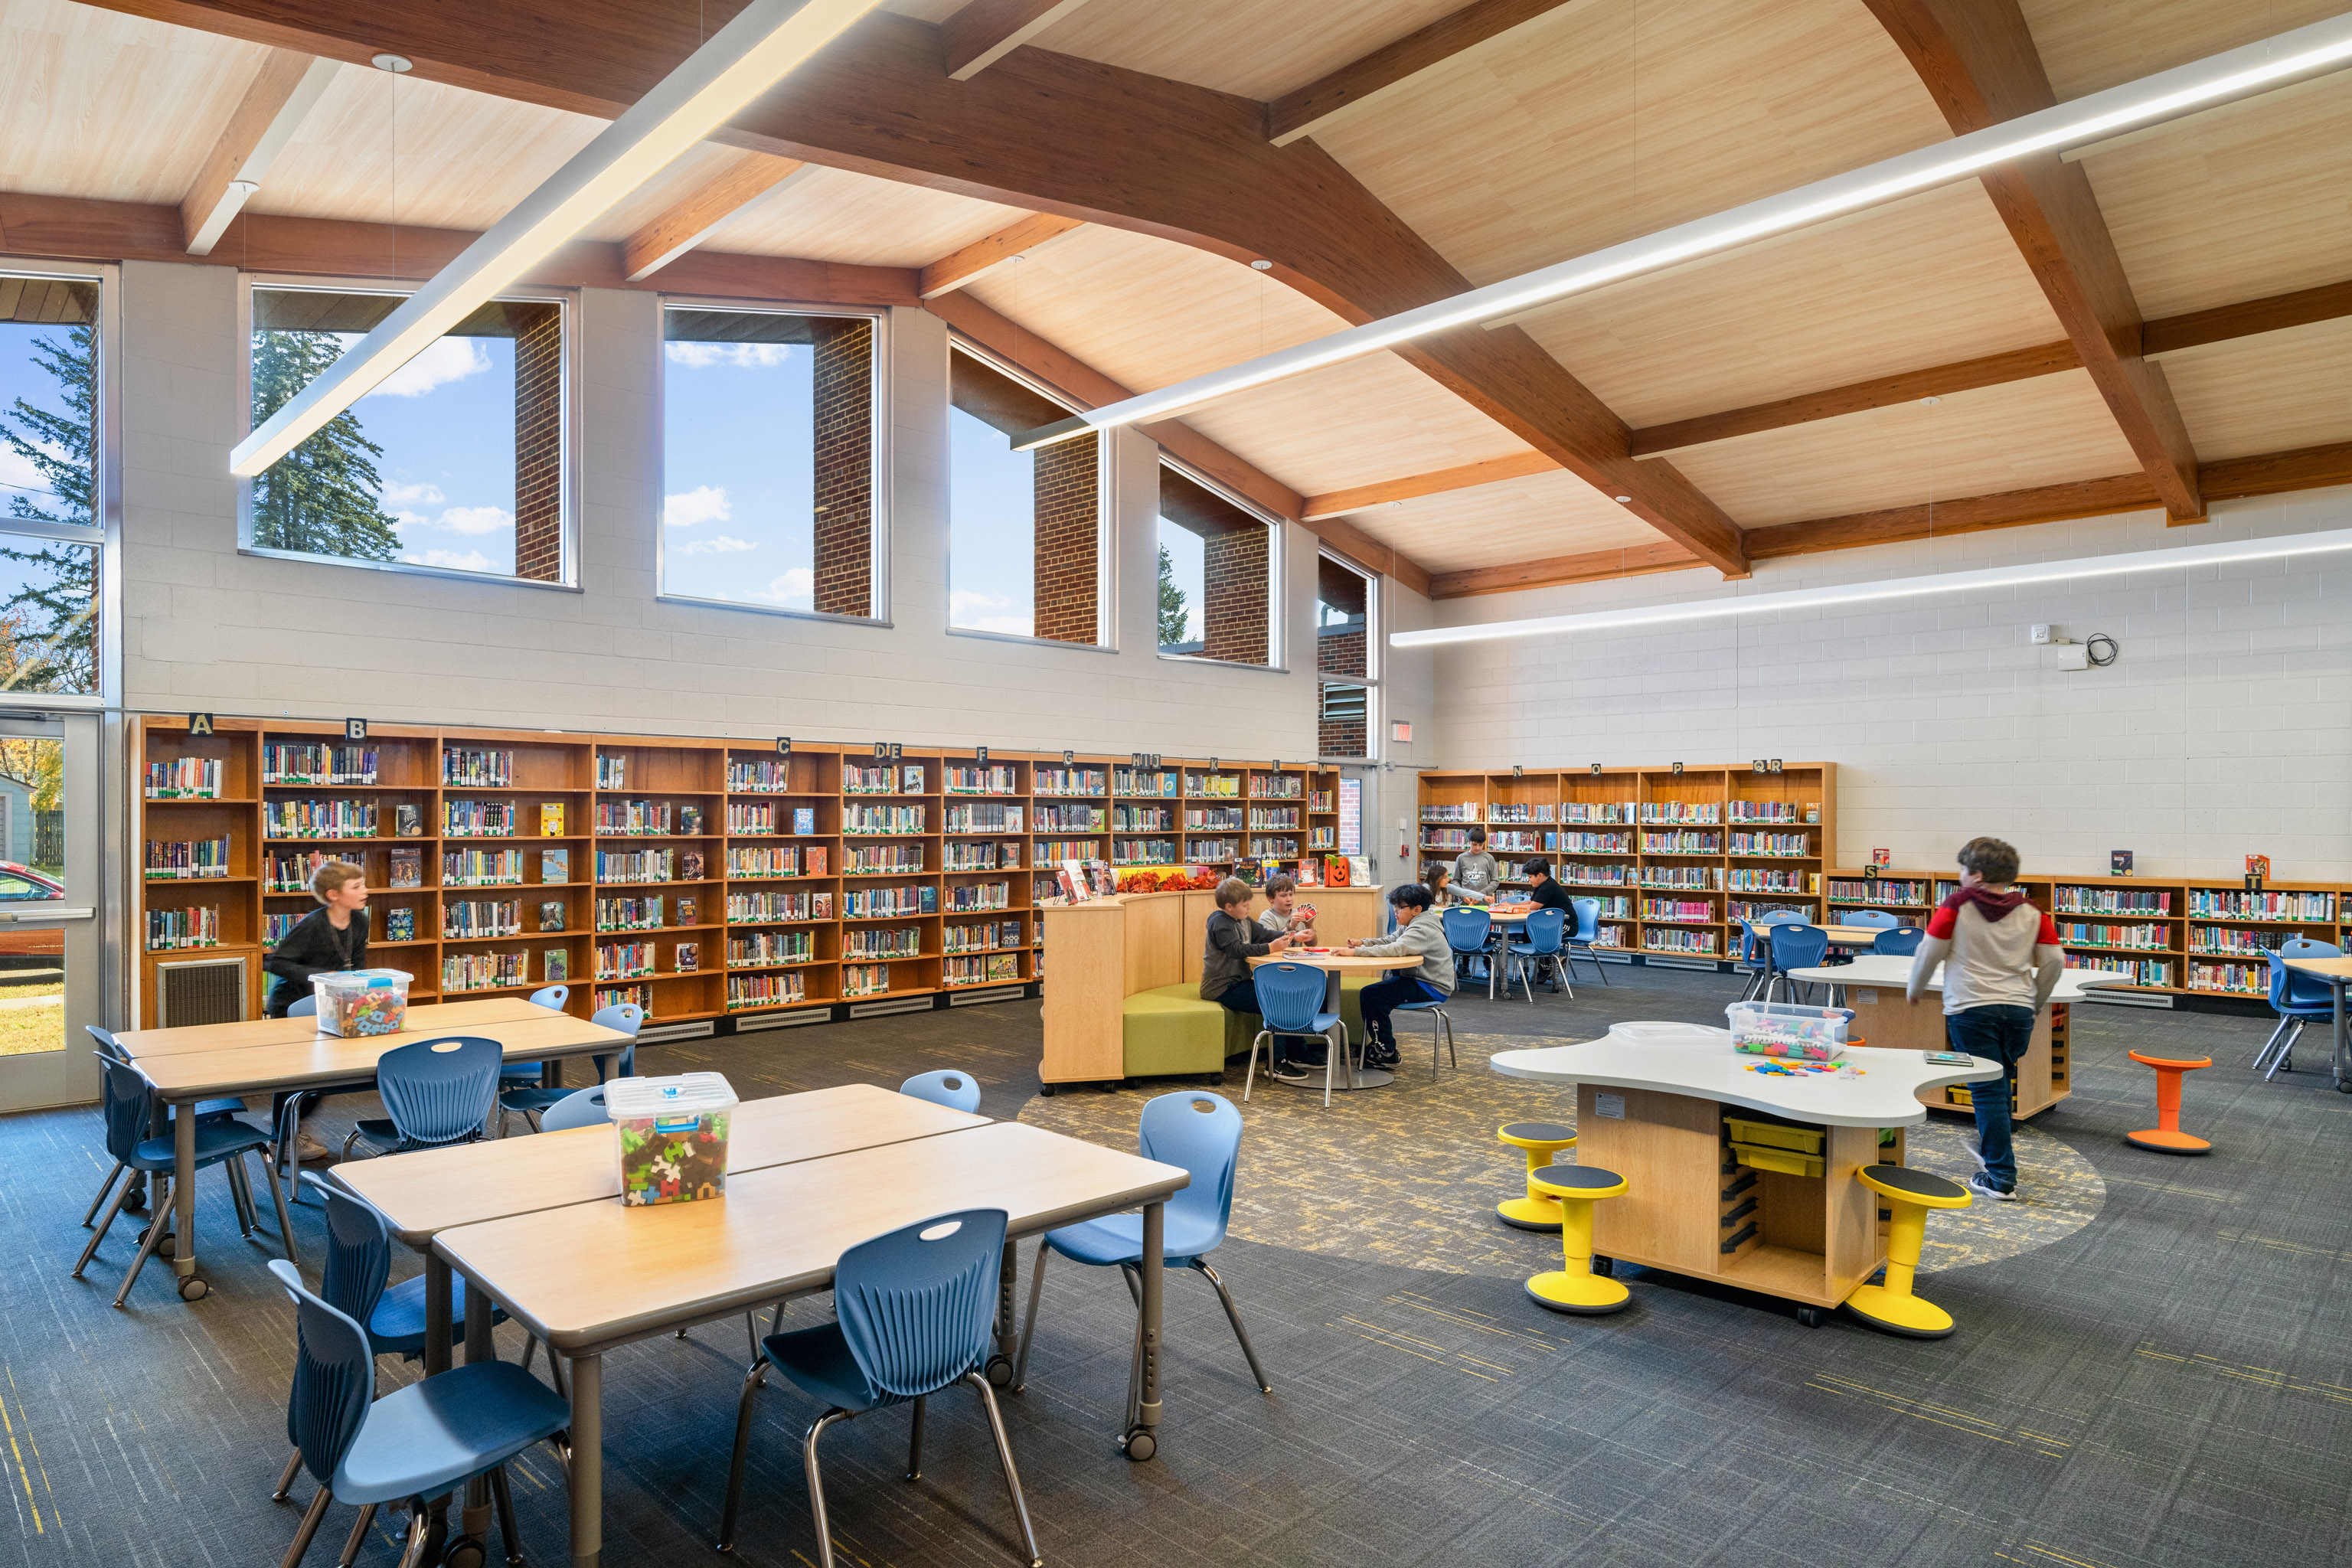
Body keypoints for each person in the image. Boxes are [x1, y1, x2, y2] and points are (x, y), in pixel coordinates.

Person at [1905, 836, 2062, 1203]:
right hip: (2019, 1010)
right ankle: (1995, 1150)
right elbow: (2054, 961)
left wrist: (1916, 987)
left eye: (1962, 869)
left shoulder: (1958, 905)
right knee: (2000, 1082)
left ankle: (2000, 1176)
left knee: (1988, 1090)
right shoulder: (2033, 912)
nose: (1959, 876)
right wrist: (2036, 1002)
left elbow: (1930, 950)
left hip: (1972, 1007)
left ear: (1975, 875)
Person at [263, 860, 372, 1163]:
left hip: (330, 1003)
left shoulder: (360, 922)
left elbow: (357, 965)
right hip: (293, 1006)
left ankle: (288, 1123)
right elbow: (275, 962)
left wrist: (355, 990)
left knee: (323, 1075)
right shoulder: (313, 924)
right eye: (357, 887)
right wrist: (323, 977)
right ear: (334, 894)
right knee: (295, 1076)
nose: (365, 890)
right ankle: (280, 1138)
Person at [1199, 875, 1307, 1081]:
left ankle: (1298, 1053)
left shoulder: (1244, 921)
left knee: (1285, 994)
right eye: (1245, 904)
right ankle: (1277, 1063)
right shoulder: (1219, 922)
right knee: (1278, 1001)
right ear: (1229, 906)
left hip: (1238, 982)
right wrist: (1270, 948)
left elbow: (1266, 934)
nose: (1249, 908)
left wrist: (1291, 936)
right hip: (1222, 987)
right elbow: (1236, 949)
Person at [1339, 882, 1456, 1069]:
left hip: (1431, 986)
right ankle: (1379, 1046)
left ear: (1417, 909)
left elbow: (1396, 948)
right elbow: (1390, 940)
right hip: (1417, 980)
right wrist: (1363, 943)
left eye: (1400, 907)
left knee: (1373, 995)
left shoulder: (1422, 929)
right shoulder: (1412, 923)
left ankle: (1387, 1051)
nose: (1395, 911)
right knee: (1374, 993)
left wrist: (1356, 953)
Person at [1521, 858, 1576, 992]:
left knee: (1541, 936)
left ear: (1540, 875)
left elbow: (1533, 907)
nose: (1529, 880)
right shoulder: (1541, 885)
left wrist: (1512, 908)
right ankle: (1548, 966)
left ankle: (1553, 962)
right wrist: (1509, 905)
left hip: (1566, 925)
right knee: (1527, 932)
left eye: (1530, 877)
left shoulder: (1549, 887)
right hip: (1551, 924)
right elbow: (1530, 903)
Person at [1255, 874, 1317, 946]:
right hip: (1276, 957)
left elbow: (1312, 944)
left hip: (1297, 956)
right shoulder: (1267, 917)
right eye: (1283, 896)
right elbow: (1271, 944)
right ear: (1271, 899)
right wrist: (1290, 927)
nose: (1289, 899)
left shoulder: (1298, 914)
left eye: (1291, 894)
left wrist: (1309, 925)